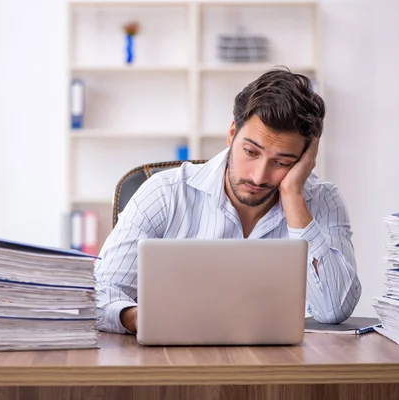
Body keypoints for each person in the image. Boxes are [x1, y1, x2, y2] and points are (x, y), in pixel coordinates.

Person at [94, 66, 362, 334]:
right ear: (232, 133)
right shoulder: (164, 193)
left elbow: (335, 310)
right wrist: (141, 318)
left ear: (306, 158)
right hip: (172, 363)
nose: (258, 177)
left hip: (279, 367)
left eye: (282, 162)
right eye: (250, 151)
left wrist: (293, 195)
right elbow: (97, 294)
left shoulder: (323, 200)